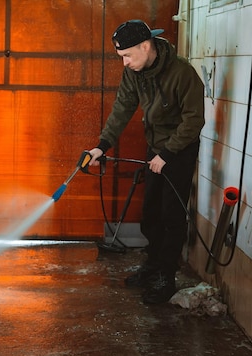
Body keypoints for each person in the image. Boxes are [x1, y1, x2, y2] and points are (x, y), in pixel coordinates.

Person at [87, 19, 205, 304]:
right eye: (121, 57)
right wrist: (102, 146)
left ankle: (167, 277)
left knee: (171, 215)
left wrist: (167, 154)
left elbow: (194, 120)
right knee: (150, 212)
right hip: (155, 148)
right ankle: (152, 266)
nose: (125, 62)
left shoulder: (182, 73)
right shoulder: (135, 73)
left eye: (127, 55)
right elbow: (123, 107)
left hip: (179, 149)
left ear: (145, 45)